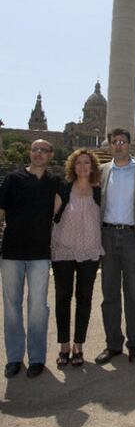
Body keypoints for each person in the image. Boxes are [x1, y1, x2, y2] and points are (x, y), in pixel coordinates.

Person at [0, 139, 62, 378]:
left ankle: (36, 357)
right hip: (12, 251)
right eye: (35, 150)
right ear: (30, 152)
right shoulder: (13, 179)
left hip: (39, 253)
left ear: (50, 154)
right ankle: (14, 357)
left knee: (38, 307)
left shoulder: (54, 182)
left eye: (43, 150)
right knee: (11, 307)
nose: (39, 154)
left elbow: (60, 209)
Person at [95, 128, 135, 365]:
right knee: (109, 293)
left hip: (132, 237)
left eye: (122, 141)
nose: (119, 145)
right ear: (110, 146)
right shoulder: (101, 171)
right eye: (115, 142)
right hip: (108, 235)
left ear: (130, 145)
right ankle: (112, 344)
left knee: (133, 292)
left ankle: (134, 345)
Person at [52, 149, 104, 367]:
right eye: (79, 163)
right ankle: (64, 345)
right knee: (63, 298)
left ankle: (78, 345)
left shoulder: (98, 190)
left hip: (90, 251)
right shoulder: (63, 188)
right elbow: (53, 216)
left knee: (84, 298)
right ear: (72, 166)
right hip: (63, 249)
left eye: (87, 163)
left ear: (92, 167)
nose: (83, 167)